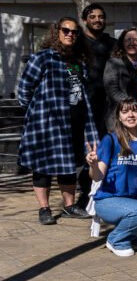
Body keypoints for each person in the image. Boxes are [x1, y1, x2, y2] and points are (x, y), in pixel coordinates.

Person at [17, 17, 96, 225]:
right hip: (46, 126)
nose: (70, 34)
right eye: (66, 30)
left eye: (75, 32)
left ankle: (69, 206)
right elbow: (24, 91)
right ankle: (44, 209)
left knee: (69, 166)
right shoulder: (43, 58)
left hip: (74, 124)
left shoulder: (79, 61)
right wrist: (38, 113)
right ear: (57, 32)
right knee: (42, 167)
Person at [86, 98, 137, 257]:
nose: (130, 115)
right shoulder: (111, 140)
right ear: (119, 117)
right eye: (125, 112)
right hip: (109, 201)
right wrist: (93, 164)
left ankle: (130, 238)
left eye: (135, 110)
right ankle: (116, 240)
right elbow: (97, 176)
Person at [81, 4, 116, 137]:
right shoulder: (78, 43)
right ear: (85, 20)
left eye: (101, 17)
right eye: (92, 17)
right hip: (85, 105)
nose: (97, 20)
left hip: (109, 106)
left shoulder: (113, 44)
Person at [103, 28, 137, 125]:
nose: (132, 43)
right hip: (119, 116)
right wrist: (133, 105)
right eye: (128, 40)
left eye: (136, 40)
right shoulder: (113, 62)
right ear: (122, 43)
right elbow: (112, 90)